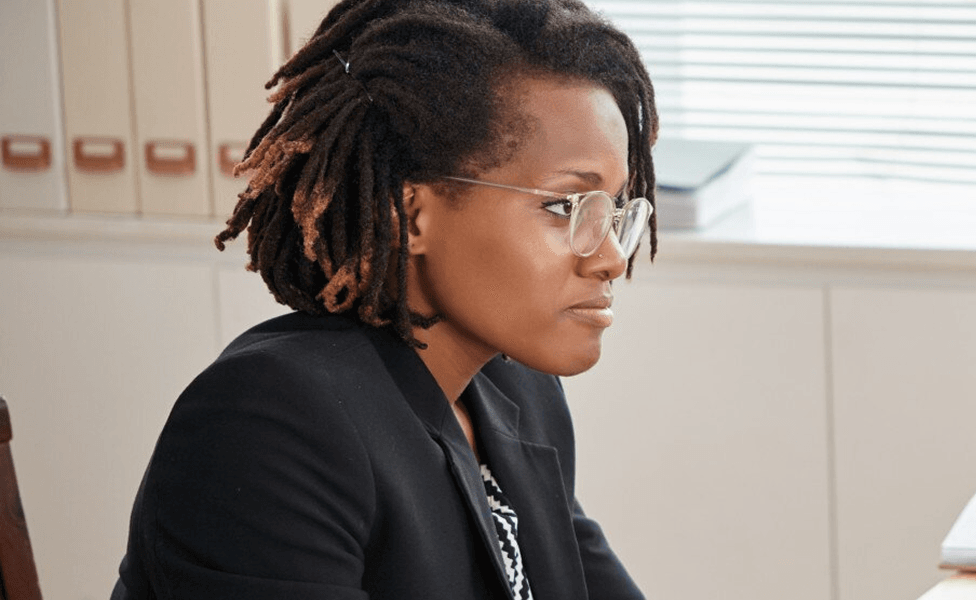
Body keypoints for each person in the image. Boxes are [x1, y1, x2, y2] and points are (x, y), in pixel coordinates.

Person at [111, 0, 658, 598]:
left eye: (617, 212)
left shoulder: (518, 391)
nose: (610, 256)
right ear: (412, 214)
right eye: (565, 207)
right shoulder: (269, 422)